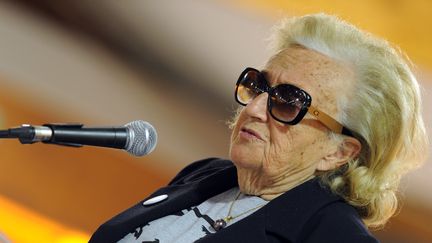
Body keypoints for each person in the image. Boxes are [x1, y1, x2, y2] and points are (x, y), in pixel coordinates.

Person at [89, 13, 428, 243]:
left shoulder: (332, 235)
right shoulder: (205, 176)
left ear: (338, 151)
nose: (252, 109)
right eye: (258, 86)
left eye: (288, 102)